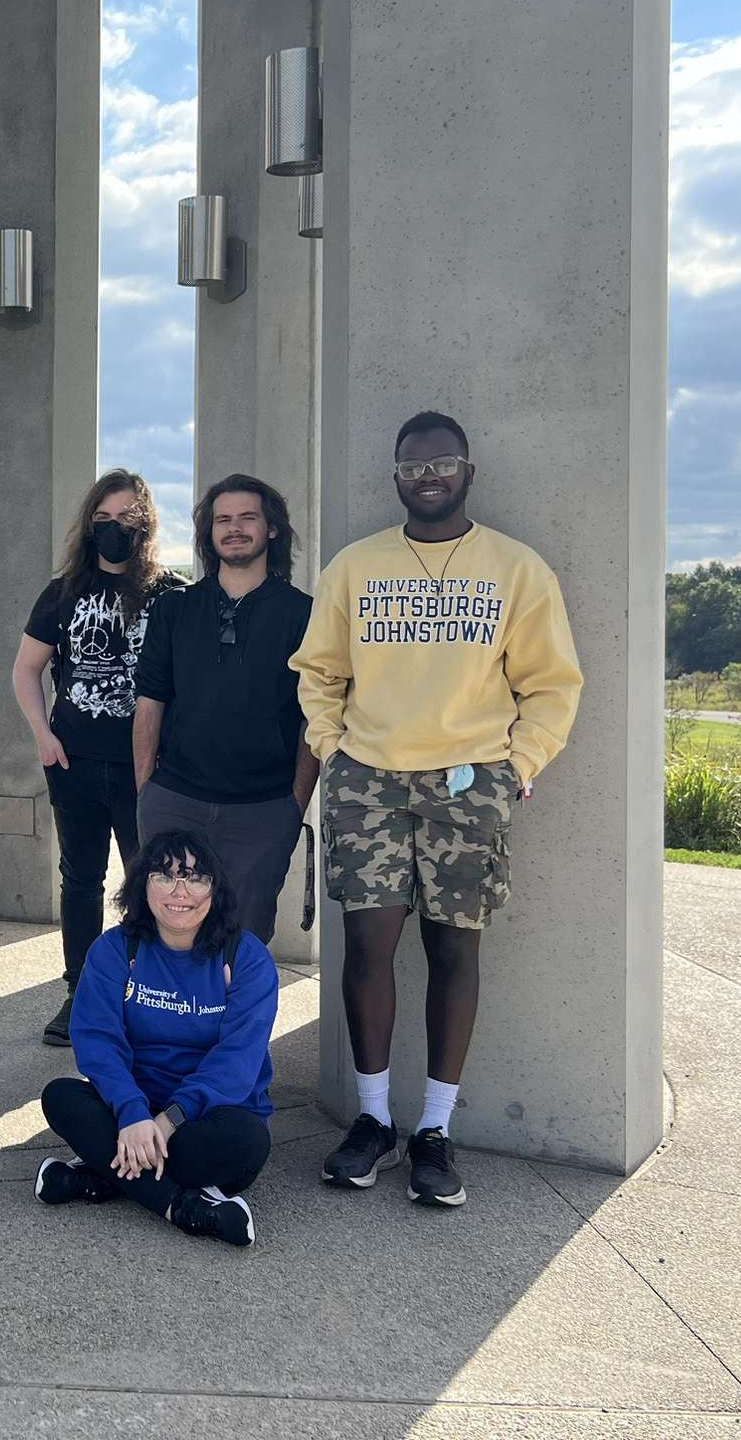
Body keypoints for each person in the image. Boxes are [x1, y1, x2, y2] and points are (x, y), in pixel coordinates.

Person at [290, 409, 583, 1208]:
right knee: (367, 948)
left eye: (443, 463)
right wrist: (334, 747)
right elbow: (318, 671)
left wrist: (517, 765)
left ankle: (436, 1132)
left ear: (467, 472)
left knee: (456, 952)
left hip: (467, 782)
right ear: (396, 477)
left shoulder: (516, 570)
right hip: (369, 780)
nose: (429, 475)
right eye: (414, 466)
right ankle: (375, 1121)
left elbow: (553, 685)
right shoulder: (356, 566)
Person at [35, 830, 277, 1247]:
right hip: (132, 1109)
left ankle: (101, 1176)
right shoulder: (115, 950)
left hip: (208, 1117)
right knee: (61, 1097)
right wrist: (132, 1114)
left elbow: (238, 1063)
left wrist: (169, 1120)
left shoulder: (246, 958)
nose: (179, 891)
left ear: (214, 889)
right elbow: (98, 1041)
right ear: (141, 885)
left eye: (195, 878)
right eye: (164, 876)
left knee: (246, 1142)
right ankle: (182, 1207)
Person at [12, 469, 180, 1046]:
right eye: (103, 520)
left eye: (127, 520)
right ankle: (81, 991)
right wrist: (43, 734)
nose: (114, 531)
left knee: (152, 882)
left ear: (147, 524)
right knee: (80, 879)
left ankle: (150, 992)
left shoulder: (171, 595)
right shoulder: (62, 593)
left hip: (148, 770)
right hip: (75, 763)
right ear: (88, 526)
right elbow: (26, 669)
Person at [131, 474, 316, 943]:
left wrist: (294, 804)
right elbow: (150, 701)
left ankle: (237, 1020)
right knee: (164, 938)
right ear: (209, 533)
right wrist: (147, 792)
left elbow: (315, 716)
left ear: (272, 529)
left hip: (264, 809)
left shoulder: (304, 614)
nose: (234, 528)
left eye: (247, 518)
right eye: (223, 520)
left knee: (244, 941)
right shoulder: (174, 609)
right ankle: (169, 1019)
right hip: (174, 799)